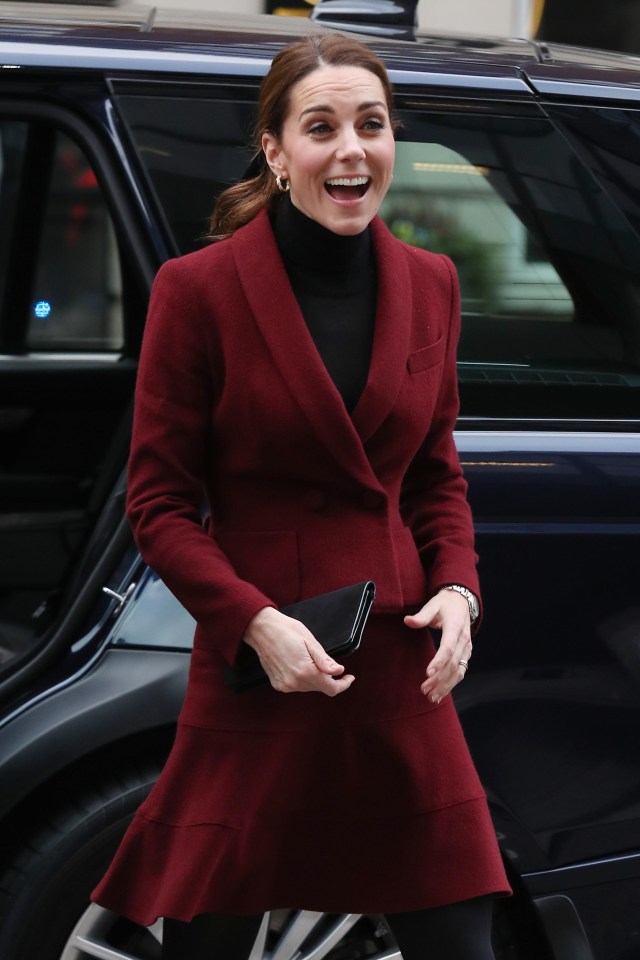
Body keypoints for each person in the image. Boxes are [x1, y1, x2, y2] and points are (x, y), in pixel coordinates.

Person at [91, 31, 511, 960]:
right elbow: (158, 503)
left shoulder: (432, 284)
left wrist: (460, 592)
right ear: (278, 152)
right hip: (263, 668)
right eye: (321, 127)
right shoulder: (197, 291)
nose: (352, 149)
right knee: (210, 939)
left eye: (372, 123)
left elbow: (435, 474)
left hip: (397, 666)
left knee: (462, 939)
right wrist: (254, 623)